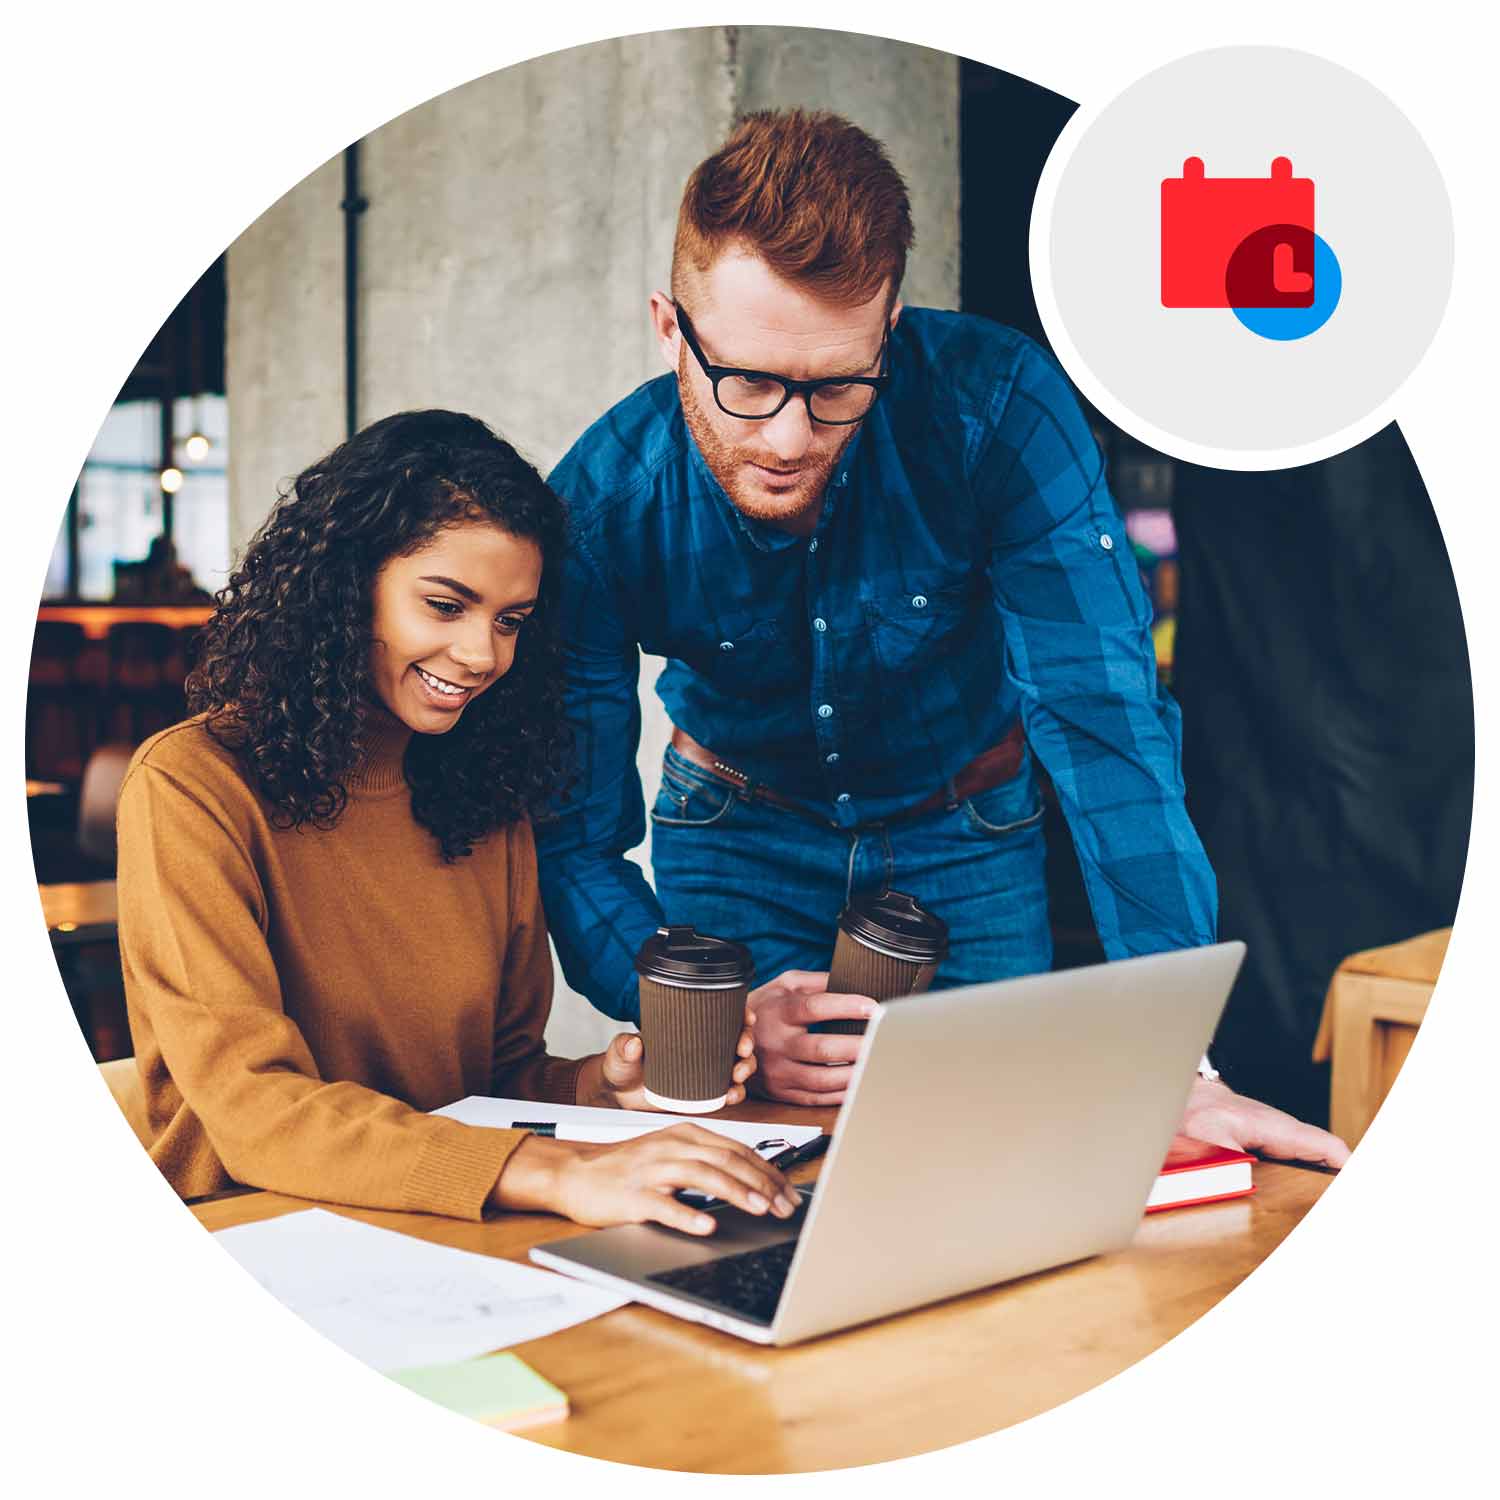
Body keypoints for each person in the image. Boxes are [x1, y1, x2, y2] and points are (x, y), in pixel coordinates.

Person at [536, 109, 1348, 1167]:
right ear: (666, 326)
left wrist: (1174, 1062)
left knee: (981, 1175)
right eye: (746, 382)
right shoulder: (602, 503)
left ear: (890, 329)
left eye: (836, 386)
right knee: (738, 1193)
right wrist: (706, 1008)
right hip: (734, 835)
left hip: (965, 836)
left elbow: (1105, 720)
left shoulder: (1000, 410)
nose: (787, 438)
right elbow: (570, 835)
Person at [116, 409, 797, 1233]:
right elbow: (251, 1108)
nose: (483, 654)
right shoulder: (193, 787)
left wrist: (603, 1089)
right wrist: (556, 1171)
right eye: (446, 606)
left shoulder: (483, 797)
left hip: (447, 1225)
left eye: (510, 621)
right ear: (344, 586)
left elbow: (499, 1081)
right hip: (255, 1230)